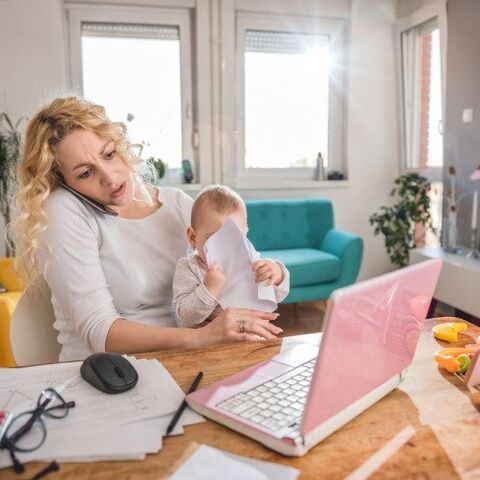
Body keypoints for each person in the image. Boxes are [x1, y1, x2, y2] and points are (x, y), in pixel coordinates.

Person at [13, 97, 281, 362]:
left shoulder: (177, 204)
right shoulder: (64, 209)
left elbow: (246, 271)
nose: (109, 176)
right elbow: (99, 329)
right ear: (65, 183)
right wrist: (202, 337)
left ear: (120, 145)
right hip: (109, 373)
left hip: (188, 361)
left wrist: (270, 278)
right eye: (85, 173)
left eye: (109, 154)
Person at [173, 185, 290, 327]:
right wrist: (210, 289)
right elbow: (186, 315)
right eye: (213, 239)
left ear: (245, 235)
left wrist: (277, 275)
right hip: (209, 342)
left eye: (233, 238)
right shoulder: (190, 267)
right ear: (193, 238)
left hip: (252, 336)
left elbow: (278, 295)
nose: (224, 248)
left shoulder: (251, 263)